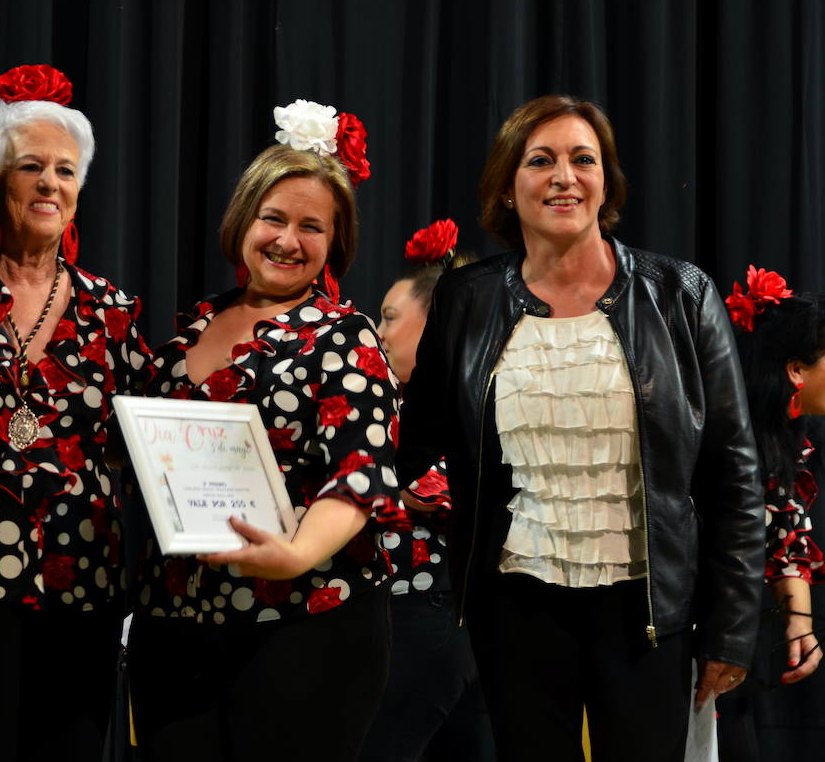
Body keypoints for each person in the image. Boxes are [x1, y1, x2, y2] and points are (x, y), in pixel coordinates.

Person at [395, 94, 763, 760]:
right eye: (541, 160)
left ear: (606, 181)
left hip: (649, 613)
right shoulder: (467, 298)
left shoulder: (682, 294)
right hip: (514, 607)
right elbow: (415, 440)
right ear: (509, 186)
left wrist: (734, 629)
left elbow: (733, 473)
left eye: (582, 159)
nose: (564, 176)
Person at [128, 100, 400, 762]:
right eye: (273, 218)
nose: (287, 239)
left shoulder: (345, 336)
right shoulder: (184, 332)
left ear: (335, 244)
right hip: (177, 624)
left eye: (312, 227)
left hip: (304, 621)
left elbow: (360, 471)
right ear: (242, 222)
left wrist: (297, 554)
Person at [0, 64, 151, 761]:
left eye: (66, 171)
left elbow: (142, 445)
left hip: (80, 585)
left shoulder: (114, 310)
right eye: (31, 167)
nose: (50, 183)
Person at [360, 219, 494, 762]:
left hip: (432, 610)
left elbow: (454, 491)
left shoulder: (465, 404)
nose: (380, 332)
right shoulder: (395, 404)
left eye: (391, 317)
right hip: (416, 613)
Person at [716, 266, 823, 759]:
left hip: (735, 652)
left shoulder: (789, 439)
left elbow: (787, 540)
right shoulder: (726, 441)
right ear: (796, 370)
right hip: (697, 648)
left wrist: (799, 620)